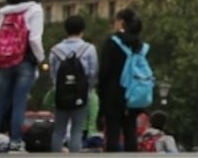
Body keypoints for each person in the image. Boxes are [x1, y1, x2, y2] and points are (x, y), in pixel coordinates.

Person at [0, 0, 46, 153]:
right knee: (19, 102)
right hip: (24, 60)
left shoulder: (5, 11)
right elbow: (34, 38)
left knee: (0, 102)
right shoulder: (35, 10)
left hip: (4, 60)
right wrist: (41, 58)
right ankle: (16, 141)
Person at [49, 15, 99, 153]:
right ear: (82, 29)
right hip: (81, 94)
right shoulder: (89, 49)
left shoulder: (55, 50)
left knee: (59, 130)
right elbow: (93, 72)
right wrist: (87, 88)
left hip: (61, 94)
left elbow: (53, 73)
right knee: (77, 130)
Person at [98, 9, 143, 152]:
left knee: (113, 133)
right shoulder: (139, 45)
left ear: (121, 23)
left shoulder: (111, 43)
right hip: (133, 93)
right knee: (130, 131)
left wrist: (100, 90)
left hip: (113, 93)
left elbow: (104, 71)